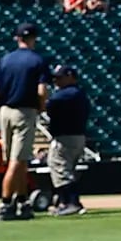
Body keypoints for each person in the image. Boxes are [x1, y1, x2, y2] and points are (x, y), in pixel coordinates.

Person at [0, 23, 51, 220]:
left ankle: (23, 200)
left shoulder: (6, 59)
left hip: (5, 111)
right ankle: (6, 203)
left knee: (17, 160)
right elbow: (42, 91)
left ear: (17, 38)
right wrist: (41, 108)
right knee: (17, 162)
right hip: (24, 111)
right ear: (34, 38)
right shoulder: (37, 60)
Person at [44, 63, 92, 216]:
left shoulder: (69, 93)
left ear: (70, 77)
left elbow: (50, 104)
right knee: (65, 169)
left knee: (61, 168)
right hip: (75, 136)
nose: (56, 82)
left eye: (60, 78)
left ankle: (73, 202)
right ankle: (64, 202)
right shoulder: (77, 93)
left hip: (66, 137)